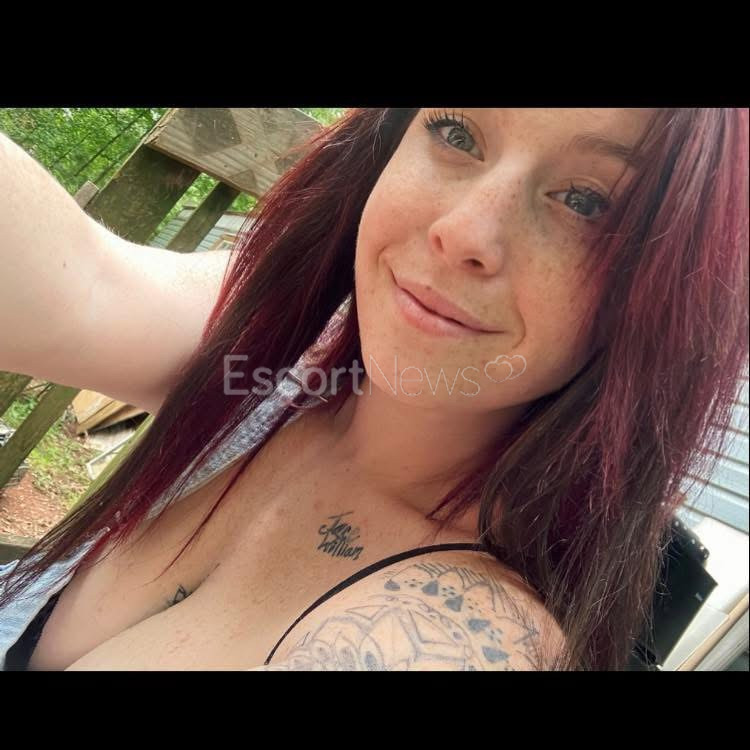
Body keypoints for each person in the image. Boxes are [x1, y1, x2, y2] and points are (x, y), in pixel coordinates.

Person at [0, 108, 747, 671]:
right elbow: (83, 289)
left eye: (585, 201)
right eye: (455, 131)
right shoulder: (284, 352)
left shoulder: (452, 632)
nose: (463, 231)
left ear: (671, 298)